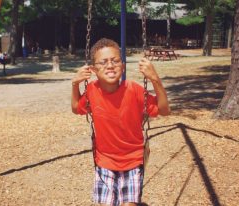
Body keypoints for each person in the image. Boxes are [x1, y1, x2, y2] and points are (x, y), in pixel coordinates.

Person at [71, 38, 170, 206]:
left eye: (115, 61)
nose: (110, 66)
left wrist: (155, 79)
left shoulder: (134, 90)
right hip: (105, 161)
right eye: (103, 62)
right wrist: (75, 84)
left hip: (133, 160)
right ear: (93, 69)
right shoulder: (91, 91)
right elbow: (76, 108)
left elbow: (165, 110)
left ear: (122, 66)